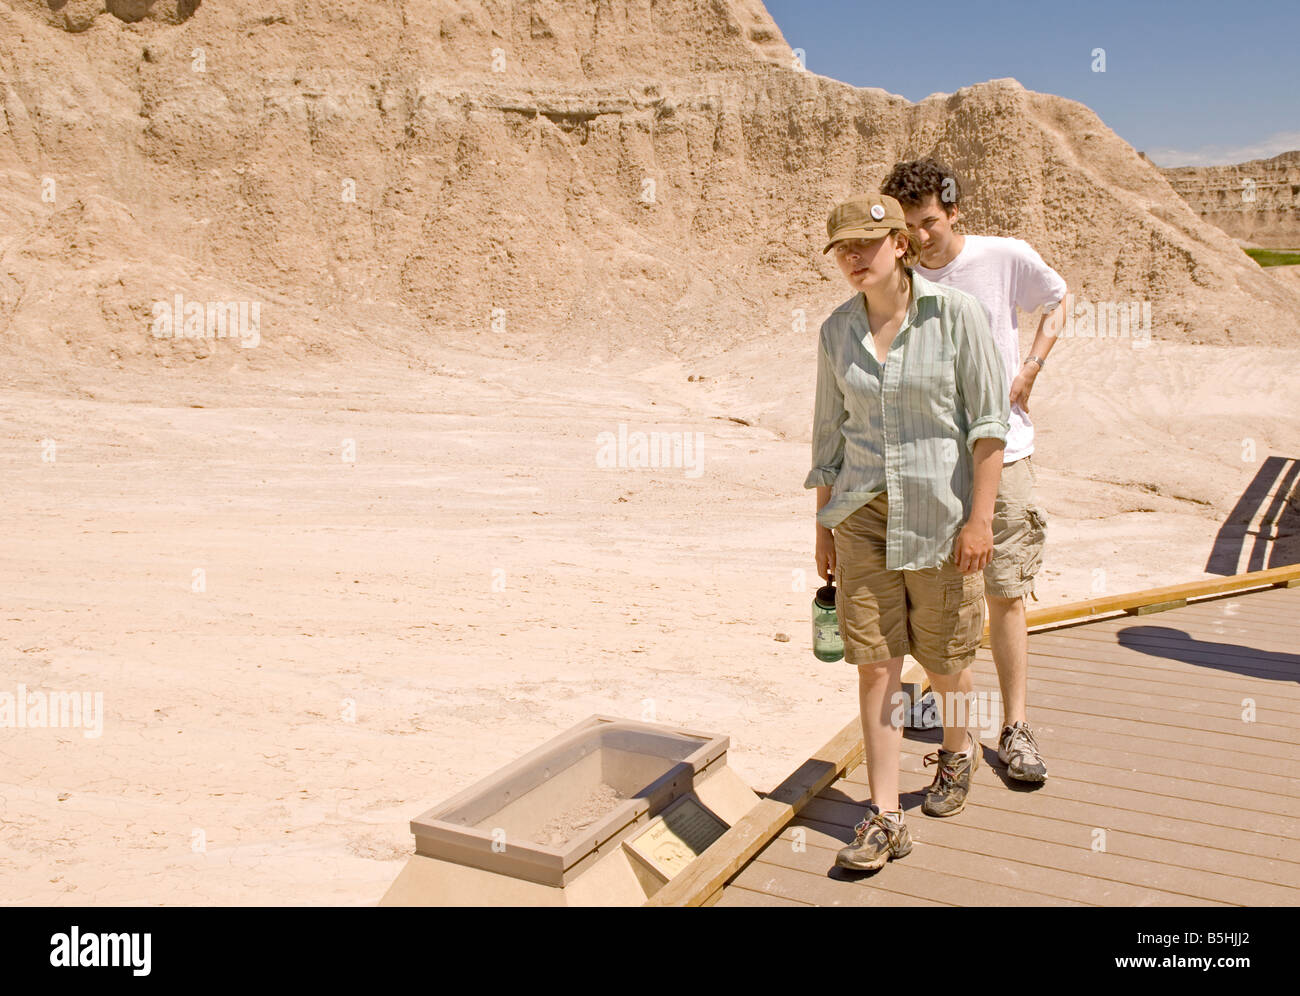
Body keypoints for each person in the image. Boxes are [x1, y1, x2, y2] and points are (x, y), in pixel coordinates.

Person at [806, 193, 1009, 872]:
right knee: (875, 664)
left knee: (948, 659)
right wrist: (822, 525)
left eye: (866, 243)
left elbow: (988, 426)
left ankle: (957, 754)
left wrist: (981, 519)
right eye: (842, 249)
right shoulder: (836, 332)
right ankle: (886, 814)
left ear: (900, 243)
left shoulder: (956, 317)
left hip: (943, 516)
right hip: (860, 515)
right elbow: (828, 441)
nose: (854, 258)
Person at [882, 160, 1068, 783]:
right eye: (907, 227)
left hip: (1004, 452)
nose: (920, 237)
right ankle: (953, 721)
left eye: (929, 222)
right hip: (933, 466)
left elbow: (1059, 299)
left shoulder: (1004, 257)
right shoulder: (898, 272)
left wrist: (1031, 368)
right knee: (939, 604)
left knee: (1004, 593)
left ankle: (1015, 728)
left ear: (954, 211)